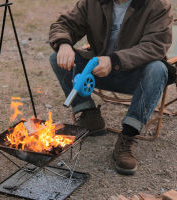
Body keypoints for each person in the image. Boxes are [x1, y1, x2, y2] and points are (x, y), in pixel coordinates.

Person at [48, 0, 175, 175]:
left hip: (135, 76)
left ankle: (128, 136)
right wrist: (64, 44)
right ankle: (90, 116)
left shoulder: (158, 5)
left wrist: (115, 60)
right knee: (56, 58)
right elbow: (64, 24)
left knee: (158, 69)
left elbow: (155, 46)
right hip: (99, 70)